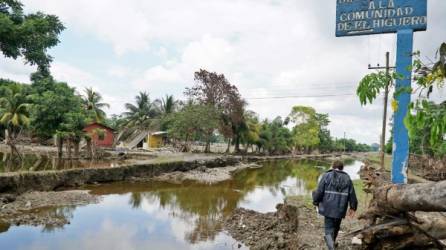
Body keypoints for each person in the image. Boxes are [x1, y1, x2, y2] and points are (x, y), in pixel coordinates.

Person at [312, 160, 358, 250]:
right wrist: (353, 207)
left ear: (332, 167)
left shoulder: (326, 176)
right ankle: (332, 243)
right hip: (340, 209)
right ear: (342, 168)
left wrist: (315, 202)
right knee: (336, 226)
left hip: (328, 208)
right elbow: (352, 194)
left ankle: (331, 247)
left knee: (329, 228)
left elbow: (319, 191)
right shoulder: (347, 178)